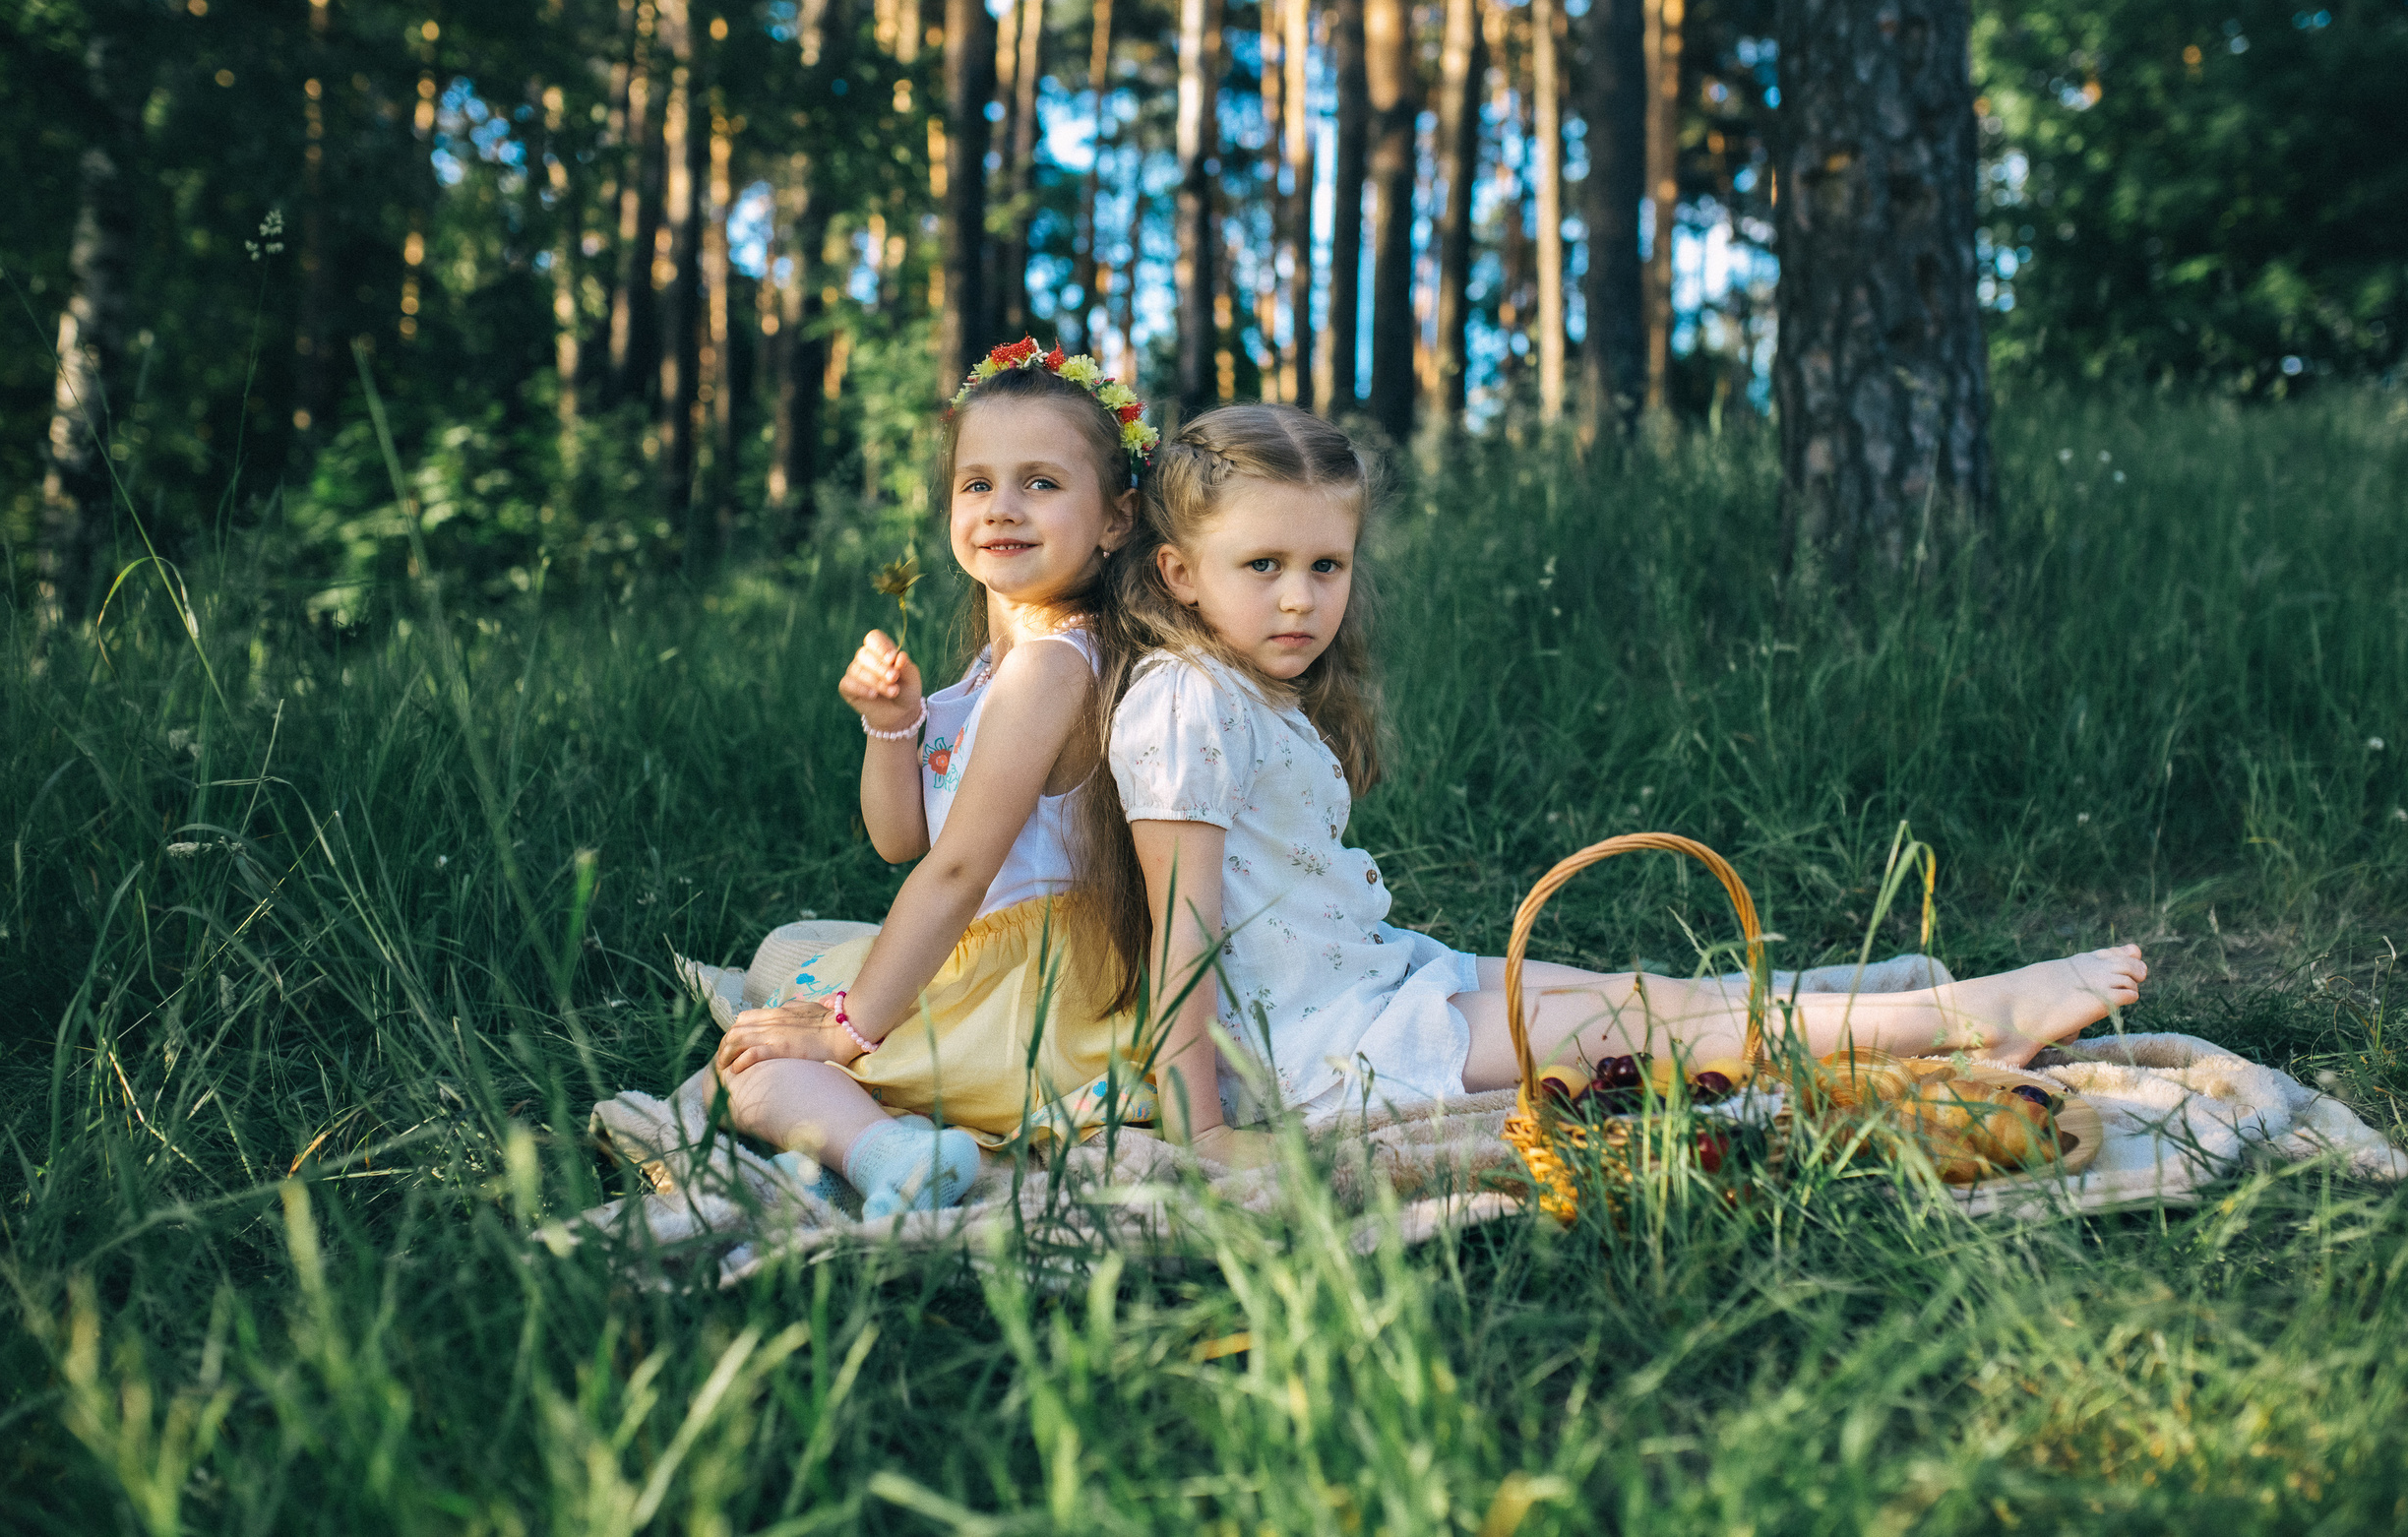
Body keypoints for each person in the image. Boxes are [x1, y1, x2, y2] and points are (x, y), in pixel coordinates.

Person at [1105, 403, 2146, 1152]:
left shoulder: (1243, 687)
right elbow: (1180, 939)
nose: (1299, 599)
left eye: (1324, 566)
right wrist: (1199, 1127)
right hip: (1311, 1048)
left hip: (1367, 978)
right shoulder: (1187, 702)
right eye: (1263, 567)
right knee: (1648, 1028)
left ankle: (1901, 1013)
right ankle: (1968, 1021)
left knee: (1634, 995)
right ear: (1179, 574)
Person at [700, 340, 1163, 1217]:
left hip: (1030, 988)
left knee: (748, 1073)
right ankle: (895, 1123)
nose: (1003, 508)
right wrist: (891, 726)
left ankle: (889, 1153)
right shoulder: (1000, 664)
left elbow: (953, 871)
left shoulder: (1053, 668)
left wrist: (851, 1025)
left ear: (1116, 518)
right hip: (981, 947)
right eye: (977, 483)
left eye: (1042, 483)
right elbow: (900, 839)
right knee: (782, 950)